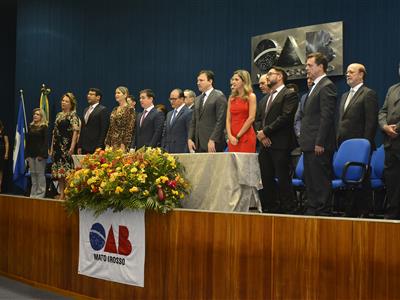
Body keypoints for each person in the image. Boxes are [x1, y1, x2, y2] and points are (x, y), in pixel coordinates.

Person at [337, 63, 378, 217]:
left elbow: (371, 122)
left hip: (361, 147)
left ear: (361, 75)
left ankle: (364, 213)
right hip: (344, 146)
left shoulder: (368, 94)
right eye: (347, 72)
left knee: (362, 182)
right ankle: (350, 213)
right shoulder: (344, 96)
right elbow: (341, 122)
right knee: (348, 183)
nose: (347, 74)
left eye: (351, 72)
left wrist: (365, 147)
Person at [256, 67, 299, 213]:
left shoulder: (289, 95)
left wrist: (265, 132)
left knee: (282, 178)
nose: (267, 77)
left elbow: (285, 117)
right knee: (266, 178)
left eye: (270, 74)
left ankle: (288, 208)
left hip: (281, 143)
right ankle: (269, 208)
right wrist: (262, 136)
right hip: (264, 144)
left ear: (280, 76)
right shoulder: (264, 99)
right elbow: (258, 120)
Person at [299, 52, 337, 216]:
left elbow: (326, 117)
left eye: (310, 65)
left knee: (320, 181)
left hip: (319, 144)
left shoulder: (327, 85)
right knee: (311, 181)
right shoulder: (315, 86)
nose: (306, 68)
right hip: (309, 143)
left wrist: (320, 142)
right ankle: (313, 210)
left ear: (321, 67)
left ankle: (323, 212)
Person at [378, 66, 400, 219]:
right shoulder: (393, 89)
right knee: (392, 181)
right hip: (390, 144)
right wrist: (385, 126)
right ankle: (393, 213)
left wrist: (397, 128)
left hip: (397, 136)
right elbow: (382, 111)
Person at [50, 92, 80, 200]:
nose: (64, 102)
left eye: (66, 101)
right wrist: (52, 147)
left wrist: (72, 147)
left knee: (67, 172)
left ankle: (68, 193)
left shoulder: (73, 115)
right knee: (59, 173)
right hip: (57, 147)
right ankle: (61, 193)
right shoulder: (58, 115)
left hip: (67, 147)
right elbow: (54, 132)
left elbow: (76, 132)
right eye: (62, 100)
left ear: (71, 104)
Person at [188, 70, 227, 152]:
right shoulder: (197, 99)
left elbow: (221, 121)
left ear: (210, 81)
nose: (198, 83)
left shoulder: (219, 96)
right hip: (198, 144)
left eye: (201, 80)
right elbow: (193, 121)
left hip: (213, 144)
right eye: (197, 80)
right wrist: (190, 138)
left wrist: (213, 139)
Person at [226, 70, 256, 153]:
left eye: (236, 79)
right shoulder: (231, 98)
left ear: (244, 81)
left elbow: (251, 118)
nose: (233, 82)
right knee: (233, 164)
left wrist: (238, 136)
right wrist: (230, 136)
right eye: (232, 79)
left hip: (245, 135)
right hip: (232, 136)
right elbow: (228, 119)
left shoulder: (251, 96)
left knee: (245, 164)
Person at [77, 88, 109, 155]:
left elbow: (104, 130)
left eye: (91, 94)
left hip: (95, 147)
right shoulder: (86, 110)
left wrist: (100, 146)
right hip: (84, 146)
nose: (88, 96)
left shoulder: (102, 110)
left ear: (98, 97)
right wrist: (79, 145)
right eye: (88, 94)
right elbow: (82, 129)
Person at [25, 108, 48, 198]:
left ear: (41, 117)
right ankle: (33, 194)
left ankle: (40, 194)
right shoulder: (30, 127)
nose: (35, 115)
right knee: (33, 175)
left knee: (40, 174)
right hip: (31, 155)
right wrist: (26, 155)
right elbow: (28, 142)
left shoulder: (44, 127)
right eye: (34, 114)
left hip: (40, 155)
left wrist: (42, 155)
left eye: (37, 114)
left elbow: (45, 142)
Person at [104, 86, 135, 151]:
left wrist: (124, 144)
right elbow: (111, 127)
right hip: (112, 143)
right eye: (115, 93)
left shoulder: (129, 109)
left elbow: (129, 128)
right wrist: (107, 143)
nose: (116, 95)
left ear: (125, 95)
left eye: (118, 93)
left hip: (122, 144)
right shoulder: (115, 109)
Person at [162, 89, 192, 153]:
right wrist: (163, 148)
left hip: (181, 151)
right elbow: (165, 134)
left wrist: (186, 151)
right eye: (170, 99)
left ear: (182, 99)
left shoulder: (188, 112)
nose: (171, 101)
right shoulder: (169, 114)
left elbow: (190, 134)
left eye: (174, 99)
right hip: (168, 151)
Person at [0, 121, 9, 193]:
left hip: (1, 152)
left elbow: (6, 143)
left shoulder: (3, 131)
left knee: (0, 170)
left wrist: (6, 153)